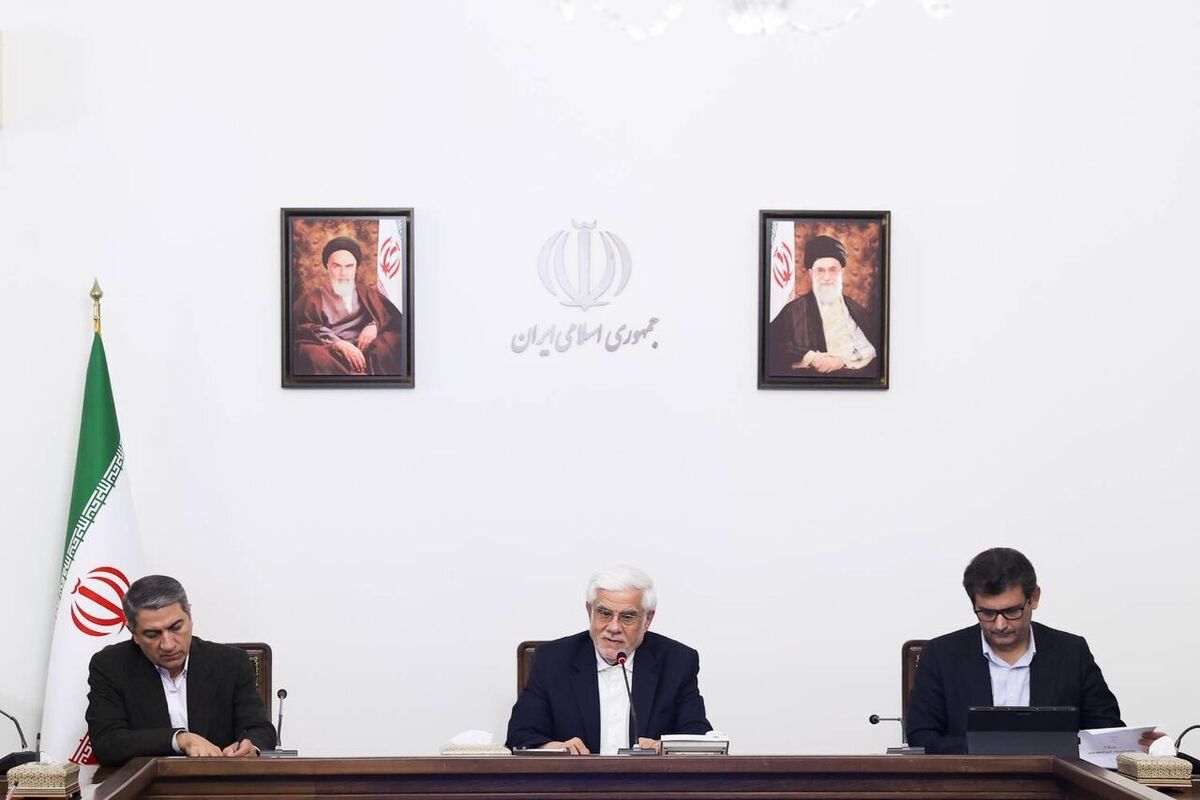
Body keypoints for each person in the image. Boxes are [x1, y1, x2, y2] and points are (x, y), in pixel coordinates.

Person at [906, 548, 1125, 754]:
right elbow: (921, 737)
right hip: (970, 778)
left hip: (1053, 779)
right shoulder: (941, 655)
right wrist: (992, 750)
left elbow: (1106, 731)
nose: (1000, 625)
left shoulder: (1071, 652)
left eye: (1011, 611)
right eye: (987, 613)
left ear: (1034, 598)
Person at [505, 565, 712, 755]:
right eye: (604, 613)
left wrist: (665, 748)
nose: (613, 627)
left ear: (647, 619)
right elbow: (520, 735)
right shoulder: (553, 660)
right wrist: (556, 748)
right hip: (574, 781)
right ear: (590, 611)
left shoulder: (677, 662)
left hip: (648, 782)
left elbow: (698, 735)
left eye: (627, 617)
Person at [85, 575, 276, 766]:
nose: (168, 645)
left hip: (219, 780)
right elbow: (106, 742)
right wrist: (179, 739)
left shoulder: (231, 663)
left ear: (190, 616)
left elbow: (260, 729)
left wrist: (251, 747)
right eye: (152, 634)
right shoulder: (110, 666)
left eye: (176, 627)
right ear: (133, 632)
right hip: (148, 782)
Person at [293, 235, 406, 376]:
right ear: (327, 267)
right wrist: (338, 344)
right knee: (310, 353)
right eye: (336, 266)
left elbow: (391, 318)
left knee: (391, 341)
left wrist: (374, 326)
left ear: (356, 267)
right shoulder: (311, 300)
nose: (343, 273)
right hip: (332, 352)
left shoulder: (368, 293)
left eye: (349, 266)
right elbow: (302, 329)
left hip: (366, 351)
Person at [767, 234, 878, 376]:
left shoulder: (856, 310)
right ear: (811, 273)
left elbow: (872, 348)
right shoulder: (792, 311)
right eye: (820, 270)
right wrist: (811, 358)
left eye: (832, 270)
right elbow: (771, 346)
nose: (826, 277)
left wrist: (843, 361)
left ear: (842, 272)